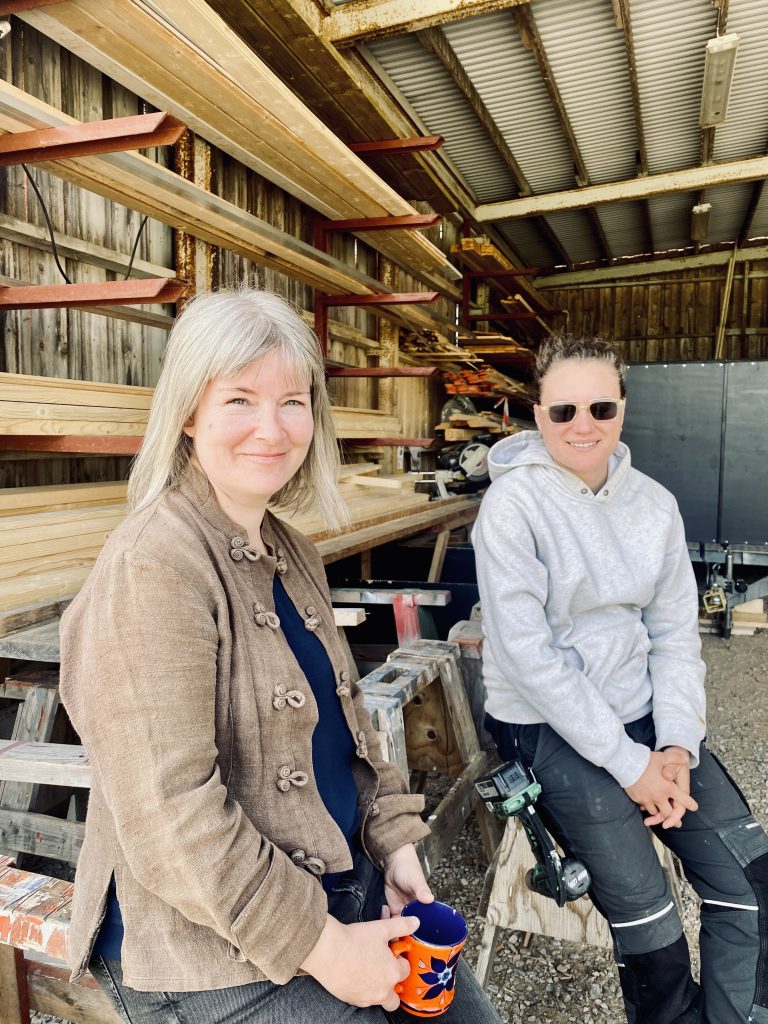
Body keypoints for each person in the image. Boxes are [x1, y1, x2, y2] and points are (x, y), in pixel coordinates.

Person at [59, 288, 502, 1024]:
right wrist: (326, 948)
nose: (272, 428)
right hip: (207, 951)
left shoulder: (291, 550)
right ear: (189, 414)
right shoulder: (154, 566)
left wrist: (391, 843)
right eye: (239, 400)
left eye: (292, 401)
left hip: (339, 879)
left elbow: (347, 727)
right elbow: (172, 821)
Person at [472, 334, 768, 1024]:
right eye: (564, 410)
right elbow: (528, 657)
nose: (583, 426)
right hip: (546, 727)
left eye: (601, 408)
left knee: (749, 882)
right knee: (652, 924)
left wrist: (676, 749)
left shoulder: (655, 505)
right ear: (537, 413)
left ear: (624, 409)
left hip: (642, 722)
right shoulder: (512, 509)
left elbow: (673, 637)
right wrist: (629, 765)